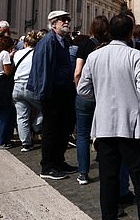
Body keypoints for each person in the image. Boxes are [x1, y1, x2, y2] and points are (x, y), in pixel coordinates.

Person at [77, 14, 140, 220]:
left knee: (108, 179)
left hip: (104, 126)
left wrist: (102, 97)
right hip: (131, 127)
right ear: (129, 33)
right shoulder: (137, 56)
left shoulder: (94, 57)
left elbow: (82, 90)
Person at [27, 10, 77, 180]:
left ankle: (59, 160)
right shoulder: (48, 41)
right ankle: (47, 166)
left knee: (64, 127)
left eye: (67, 19)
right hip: (52, 93)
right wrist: (44, 93)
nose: (66, 22)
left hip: (64, 91)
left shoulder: (63, 41)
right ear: (53, 23)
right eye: (63, 20)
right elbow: (42, 69)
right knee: (51, 129)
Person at [73, 15, 110, 185]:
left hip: (86, 95)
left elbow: (78, 72)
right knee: (104, 132)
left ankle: (83, 173)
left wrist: (79, 89)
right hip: (105, 94)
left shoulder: (85, 44)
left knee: (82, 134)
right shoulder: (110, 46)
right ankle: (106, 166)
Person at [12, 30, 45, 152]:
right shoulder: (38, 54)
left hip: (17, 86)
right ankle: (36, 127)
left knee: (21, 116)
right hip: (31, 86)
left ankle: (26, 143)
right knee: (47, 108)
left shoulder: (17, 54)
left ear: (25, 43)